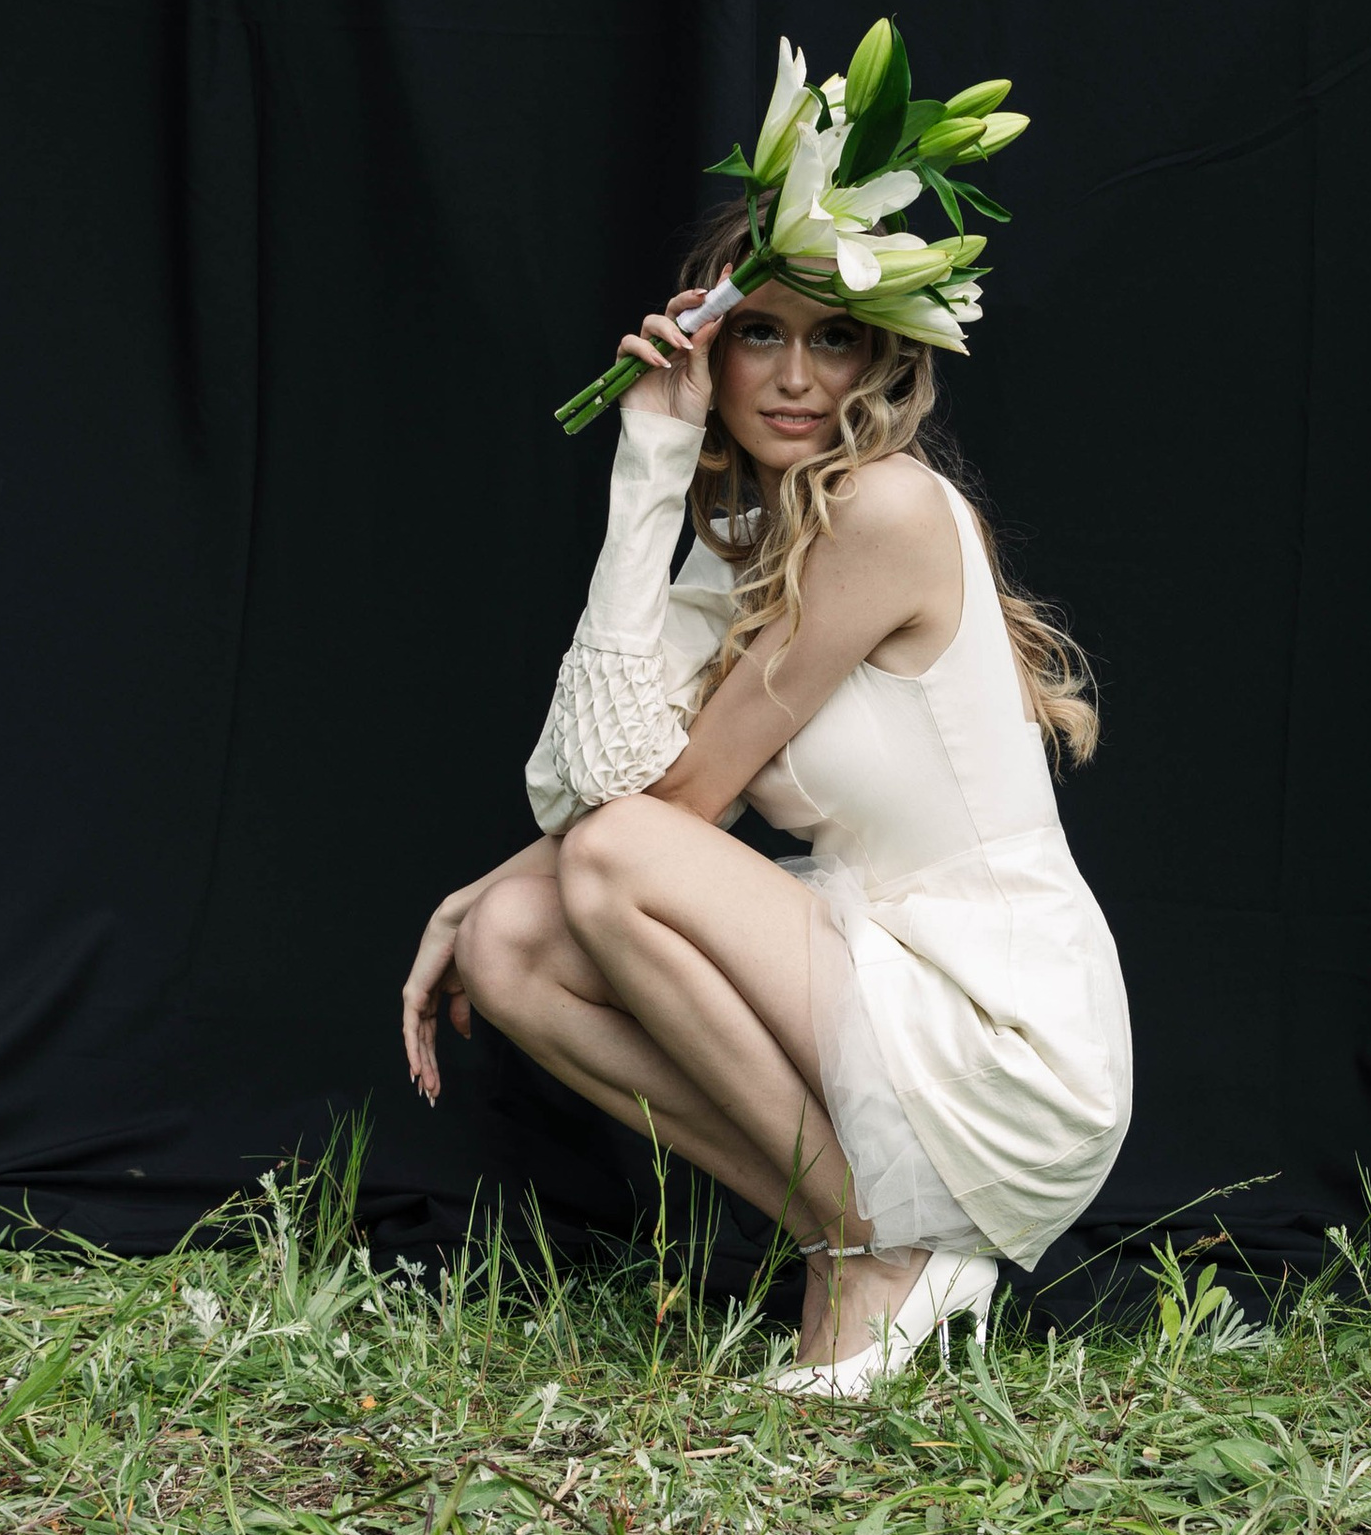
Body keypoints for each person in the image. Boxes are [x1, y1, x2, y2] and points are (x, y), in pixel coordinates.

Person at [400, 223, 1132, 1393]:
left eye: (833, 338)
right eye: (758, 335)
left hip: (1004, 1029)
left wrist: (484, 878)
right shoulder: (745, 544)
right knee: (511, 946)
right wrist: (649, 460)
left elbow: (666, 809)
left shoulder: (886, 508)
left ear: (880, 361)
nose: (795, 378)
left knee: (602, 865)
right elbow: (585, 776)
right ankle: (864, 1236)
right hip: (883, 980)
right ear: (706, 343)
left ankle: (872, 1253)